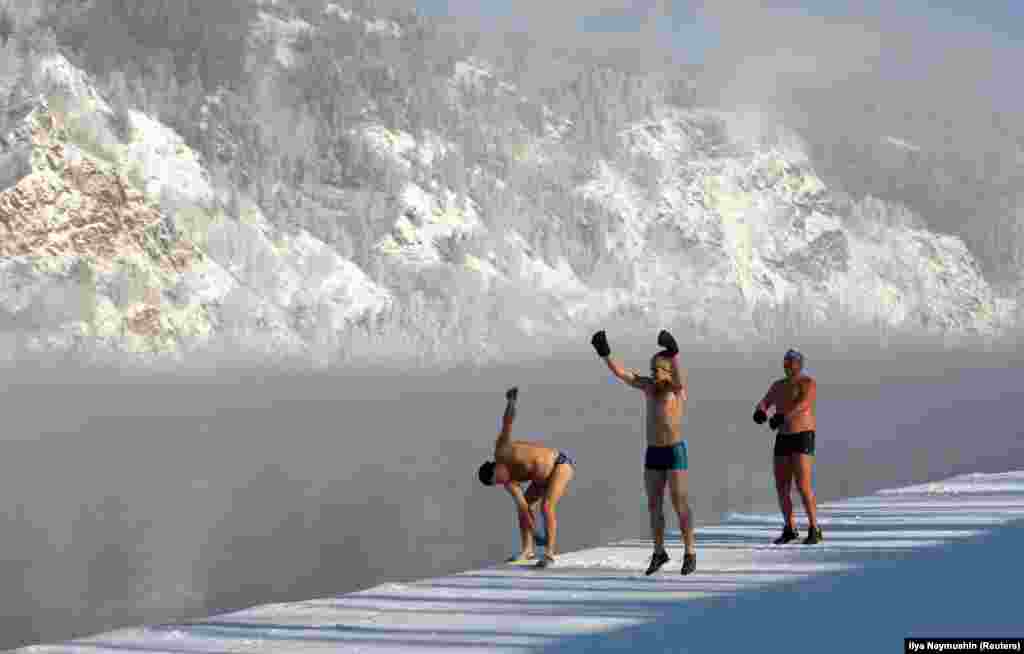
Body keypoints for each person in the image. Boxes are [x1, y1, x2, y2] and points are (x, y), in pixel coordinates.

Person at [592, 329, 696, 575]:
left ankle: (690, 551)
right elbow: (623, 374)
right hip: (653, 452)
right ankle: (659, 552)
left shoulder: (677, 389)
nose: (653, 372)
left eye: (657, 368)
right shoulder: (649, 387)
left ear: (668, 370)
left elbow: (679, 378)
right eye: (652, 368)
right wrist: (605, 353)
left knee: (679, 502)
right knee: (654, 505)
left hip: (674, 451)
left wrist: (674, 353)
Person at [478, 387, 576, 568]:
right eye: (497, 484)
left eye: (497, 478)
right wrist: (536, 531)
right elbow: (524, 509)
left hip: (559, 466)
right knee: (525, 508)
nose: (501, 482)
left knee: (547, 506)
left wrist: (511, 403)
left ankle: (549, 553)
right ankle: (527, 550)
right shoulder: (509, 483)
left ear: (496, 466)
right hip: (540, 480)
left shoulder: (502, 450)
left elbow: (507, 422)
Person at [752, 349, 823, 545]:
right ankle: (790, 528)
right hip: (783, 438)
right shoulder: (778, 385)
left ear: (799, 364)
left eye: (791, 363)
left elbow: (803, 404)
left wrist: (784, 417)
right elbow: (765, 401)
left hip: (803, 436)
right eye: (785, 363)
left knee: (802, 485)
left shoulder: (807, 383)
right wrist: (760, 411)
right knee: (782, 486)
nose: (787, 366)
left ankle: (814, 527)